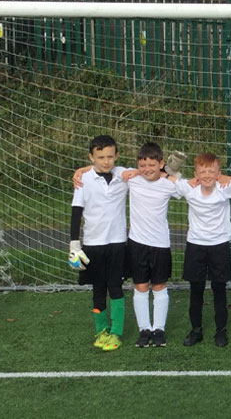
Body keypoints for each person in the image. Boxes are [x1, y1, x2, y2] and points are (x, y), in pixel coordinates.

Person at [74, 142, 181, 349]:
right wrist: (81, 170)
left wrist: (171, 172)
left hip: (161, 244)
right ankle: (144, 330)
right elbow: (104, 166)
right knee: (140, 287)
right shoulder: (132, 178)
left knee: (159, 287)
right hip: (136, 244)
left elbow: (187, 187)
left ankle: (158, 329)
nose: (147, 169)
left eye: (153, 165)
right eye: (143, 165)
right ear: (137, 165)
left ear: (160, 164)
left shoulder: (169, 183)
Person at [176, 153, 231, 348]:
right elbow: (166, 174)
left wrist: (230, 178)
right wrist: (82, 169)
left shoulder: (226, 189)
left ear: (218, 173)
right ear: (196, 174)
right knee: (196, 290)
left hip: (220, 245)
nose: (207, 175)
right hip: (195, 246)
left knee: (219, 290)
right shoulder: (188, 189)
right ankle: (196, 330)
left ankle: (220, 331)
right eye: (202, 171)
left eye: (212, 171)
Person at [69, 134, 129, 351]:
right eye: (100, 157)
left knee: (116, 287)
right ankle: (101, 329)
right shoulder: (83, 180)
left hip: (117, 243)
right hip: (93, 244)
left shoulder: (123, 175)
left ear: (117, 156)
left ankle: (116, 332)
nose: (106, 161)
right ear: (91, 157)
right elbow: (76, 212)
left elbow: (147, 173)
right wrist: (74, 244)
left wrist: (170, 168)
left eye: (110, 157)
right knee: (98, 289)